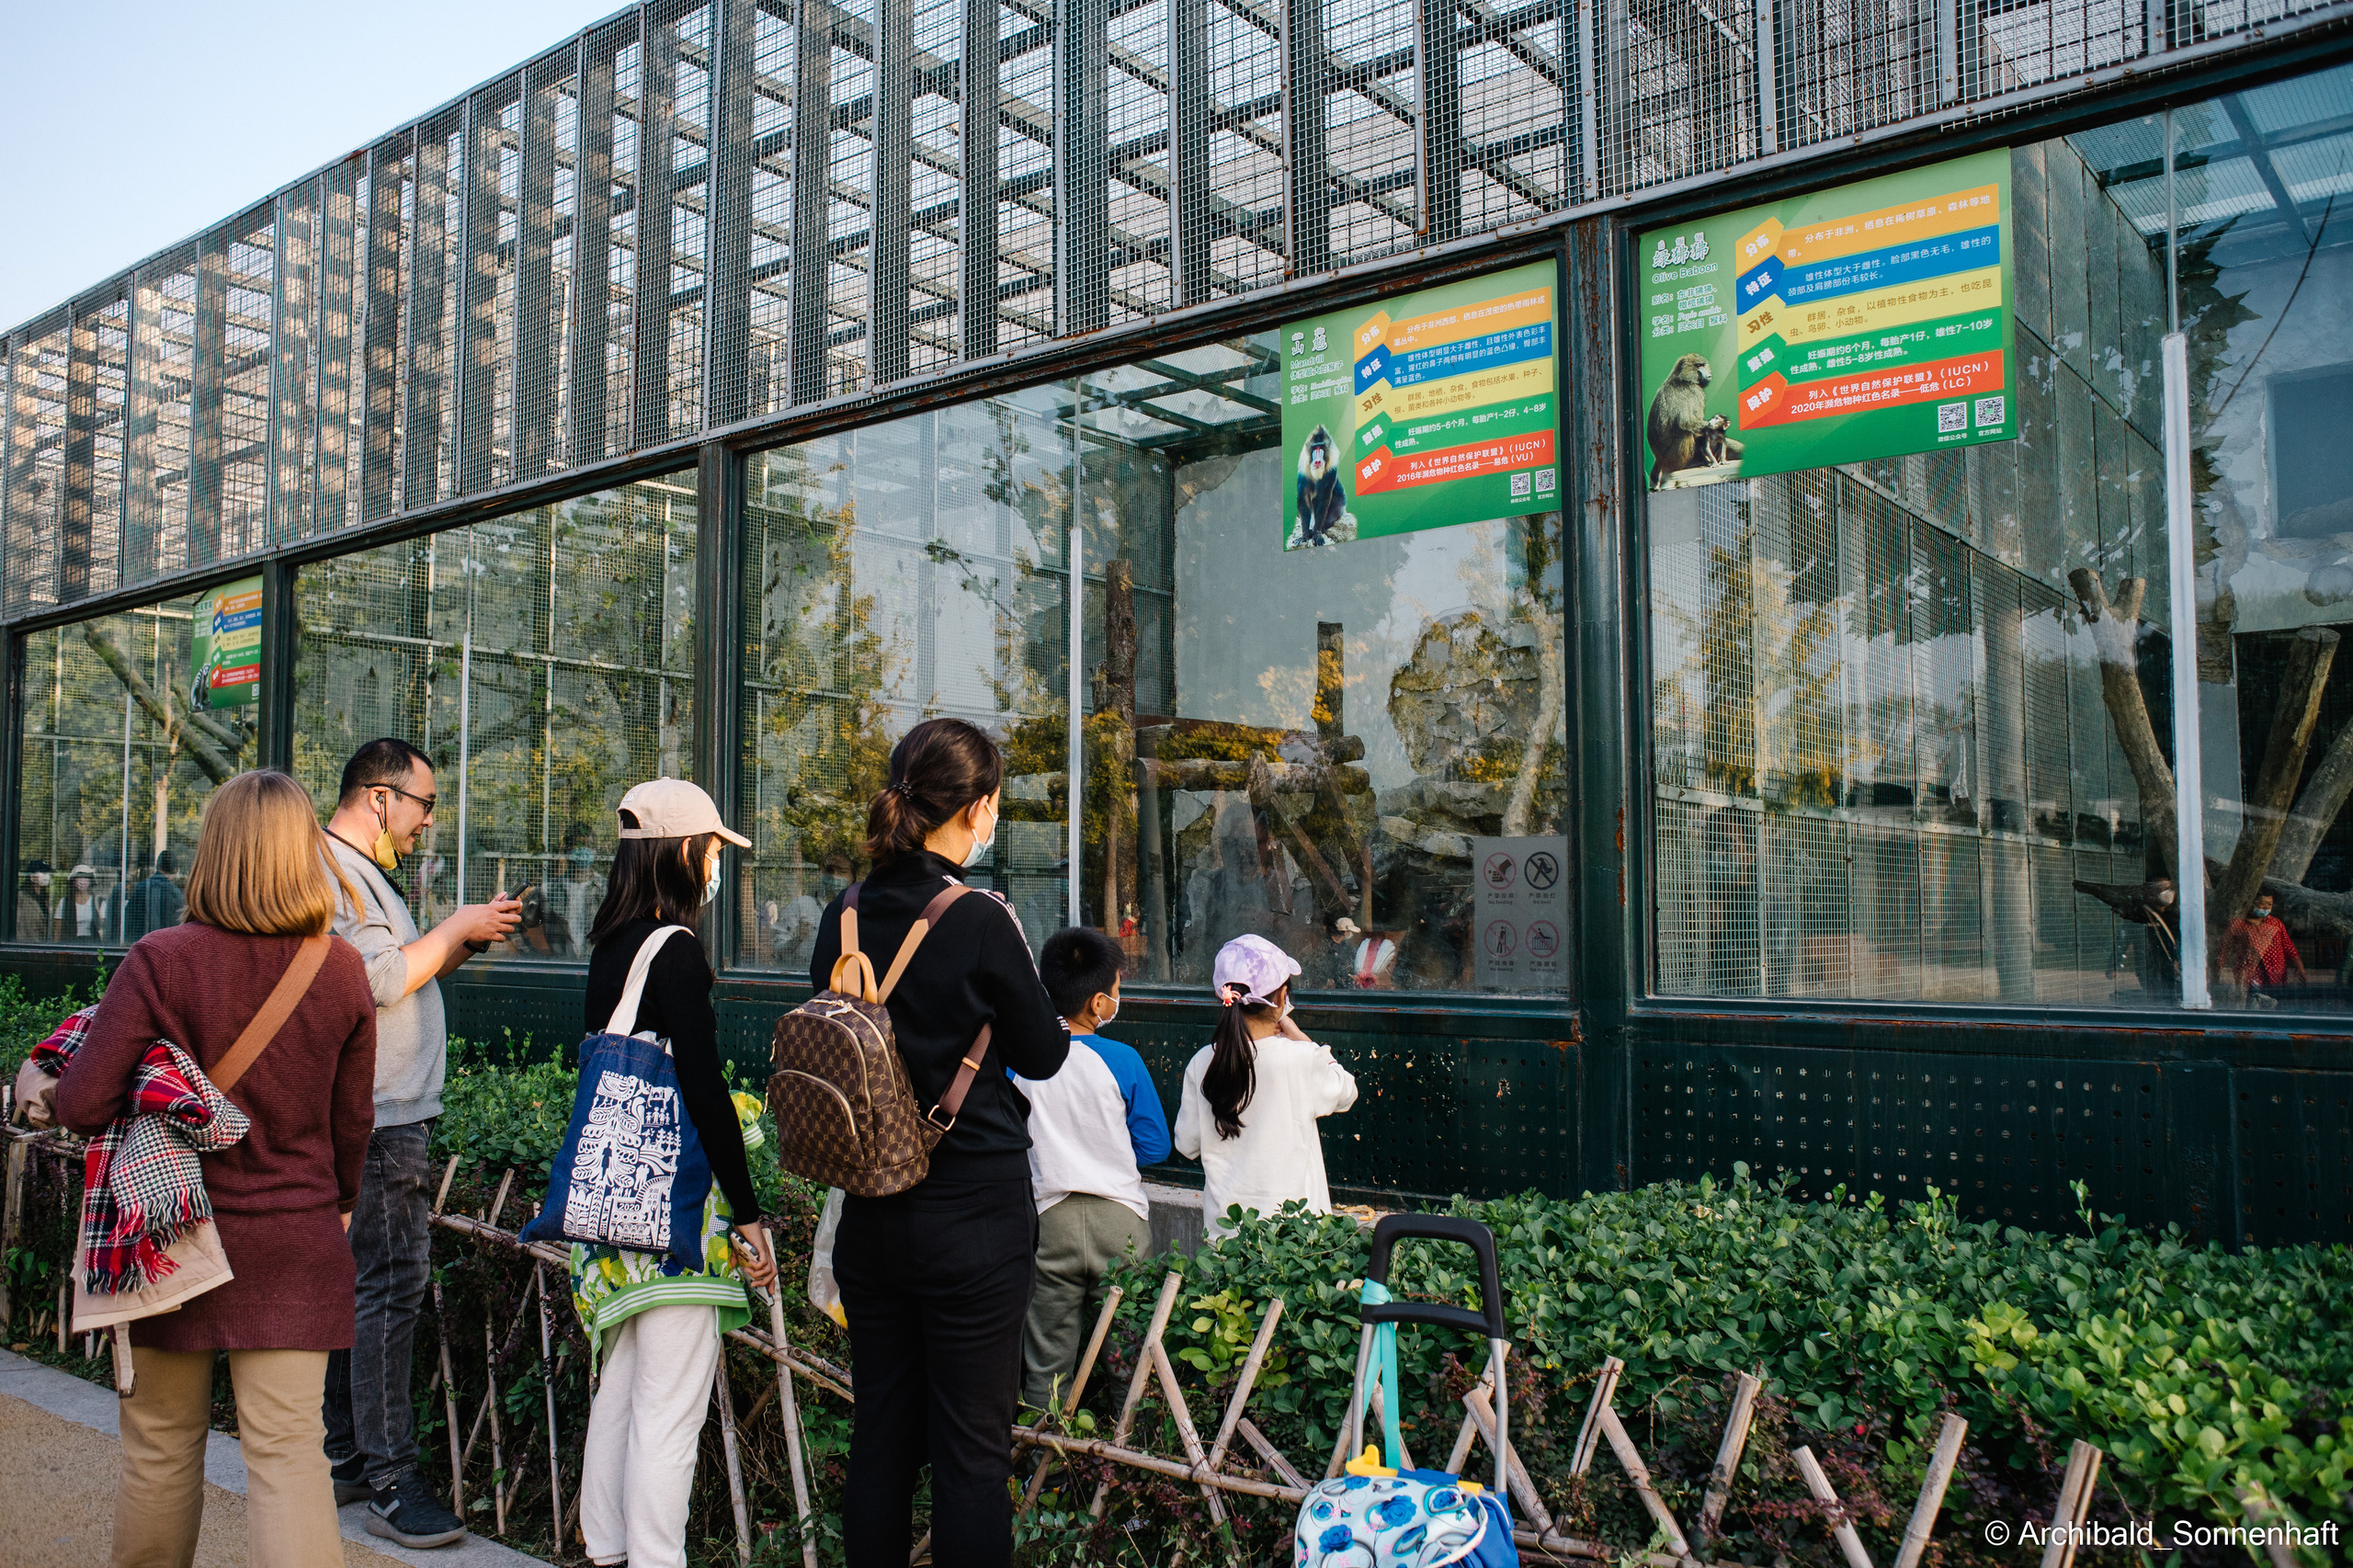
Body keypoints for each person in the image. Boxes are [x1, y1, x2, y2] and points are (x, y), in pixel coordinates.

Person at [55, 770, 378, 1568]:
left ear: (215, 852)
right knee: (290, 1457)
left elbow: (85, 1102)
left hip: (169, 1239)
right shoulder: (338, 969)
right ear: (304, 854)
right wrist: (333, 1207)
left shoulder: (161, 959)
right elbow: (353, 1126)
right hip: (296, 1240)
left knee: (161, 1448)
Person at [809, 717, 1070, 1568]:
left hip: (870, 1212)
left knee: (883, 1430)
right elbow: (1041, 1053)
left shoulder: (842, 913)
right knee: (970, 1451)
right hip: (974, 1217)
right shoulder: (981, 918)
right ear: (981, 806)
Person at [319, 737, 522, 1549]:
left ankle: (347, 1457)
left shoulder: (360, 873)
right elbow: (372, 981)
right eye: (423, 805)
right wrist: (454, 925)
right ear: (378, 798)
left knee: (364, 1290)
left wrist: (458, 941)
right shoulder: (339, 872)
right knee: (389, 1292)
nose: (428, 823)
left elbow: (395, 971)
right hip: (380, 1115)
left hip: (384, 1111)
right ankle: (391, 1478)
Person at [572, 778, 777, 1568]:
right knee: (669, 1409)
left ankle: (609, 1550)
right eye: (717, 849)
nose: (719, 865)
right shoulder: (677, 949)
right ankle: (658, 1560)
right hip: (680, 1213)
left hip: (614, 1204)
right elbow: (704, 1091)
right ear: (689, 852)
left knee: (622, 1388)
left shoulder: (610, 946)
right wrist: (749, 1212)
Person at [1014, 926, 1171, 1410]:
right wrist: (1111, 1152)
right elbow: (1155, 1146)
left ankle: (1047, 1470)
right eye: (1117, 990)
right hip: (1120, 1221)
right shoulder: (1123, 1060)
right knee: (1130, 1356)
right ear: (1099, 1004)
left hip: (1047, 1219)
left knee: (1046, 1361)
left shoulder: (1019, 1062)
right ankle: (1132, 1464)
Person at [1173, 934, 1358, 1242]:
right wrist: (1299, 1036)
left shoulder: (1202, 1061)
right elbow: (1346, 1091)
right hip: (1296, 1240)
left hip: (1227, 1237)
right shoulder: (1301, 1058)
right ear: (1282, 996)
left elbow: (1187, 1144)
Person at [2225, 890, 2307, 1004]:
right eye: (2261, 903)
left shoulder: (2276, 923)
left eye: (2269, 904)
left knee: (2276, 1005)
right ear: (2251, 902)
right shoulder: (2238, 924)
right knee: (2255, 1004)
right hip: (2251, 976)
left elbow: (2289, 947)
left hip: (2276, 976)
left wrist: (2300, 967)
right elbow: (2225, 949)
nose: (2265, 907)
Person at [119, 848, 186, 942]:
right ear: (175, 869)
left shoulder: (141, 887)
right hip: (164, 942)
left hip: (140, 941)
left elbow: (129, 915)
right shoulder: (174, 891)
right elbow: (179, 921)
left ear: (158, 866)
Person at [55, 863, 104, 942]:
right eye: (79, 877)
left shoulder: (99, 902)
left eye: (85, 877)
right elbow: (57, 929)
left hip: (93, 944)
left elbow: (103, 927)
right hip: (70, 944)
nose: (82, 881)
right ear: (73, 881)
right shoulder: (64, 902)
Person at [15, 858, 52, 941]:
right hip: (26, 945)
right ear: (31, 876)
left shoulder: (45, 898)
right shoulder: (21, 896)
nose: (46, 876)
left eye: (47, 873)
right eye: (42, 872)